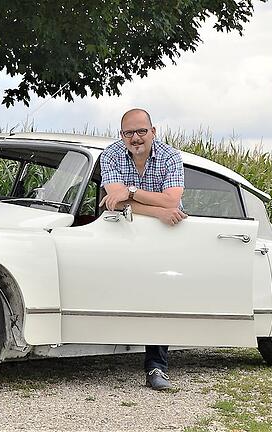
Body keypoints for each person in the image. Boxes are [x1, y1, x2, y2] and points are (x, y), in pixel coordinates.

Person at [99, 108, 187, 391]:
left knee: (160, 294)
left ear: (153, 131)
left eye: (141, 131)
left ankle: (156, 367)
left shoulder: (170, 156)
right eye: (129, 133)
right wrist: (156, 210)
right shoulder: (110, 155)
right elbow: (113, 201)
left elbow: (172, 201)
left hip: (165, 235)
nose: (135, 138)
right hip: (126, 233)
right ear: (121, 135)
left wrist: (132, 193)